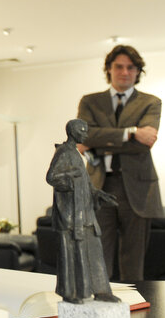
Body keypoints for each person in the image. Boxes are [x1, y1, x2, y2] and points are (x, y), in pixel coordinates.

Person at [77, 45, 163, 281]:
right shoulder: (90, 102)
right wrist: (132, 132)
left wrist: (98, 138)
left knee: (133, 262)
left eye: (130, 67)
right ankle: (100, 310)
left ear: (138, 71)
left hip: (138, 190)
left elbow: (145, 143)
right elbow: (83, 138)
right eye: (119, 66)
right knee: (98, 256)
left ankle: (133, 313)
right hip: (98, 186)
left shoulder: (150, 103)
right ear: (109, 69)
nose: (124, 72)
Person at [46, 119, 119, 304]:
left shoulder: (76, 154)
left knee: (94, 249)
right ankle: (71, 293)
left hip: (85, 212)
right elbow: (52, 177)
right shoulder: (63, 152)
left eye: (87, 131)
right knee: (72, 253)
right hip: (71, 215)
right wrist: (71, 178)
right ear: (72, 132)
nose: (86, 134)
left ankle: (101, 290)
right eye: (82, 131)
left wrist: (98, 194)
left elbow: (85, 184)